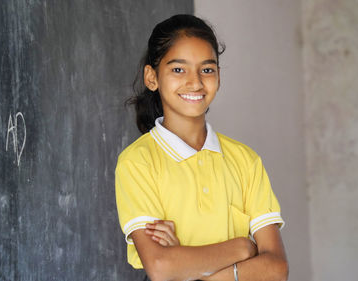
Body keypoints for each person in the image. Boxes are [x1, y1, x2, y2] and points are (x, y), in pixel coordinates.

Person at [115, 14, 288, 281]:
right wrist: (243, 248)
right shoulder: (138, 162)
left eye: (207, 69)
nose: (195, 82)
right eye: (178, 69)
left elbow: (276, 268)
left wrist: (190, 266)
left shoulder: (245, 160)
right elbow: (161, 267)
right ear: (152, 78)